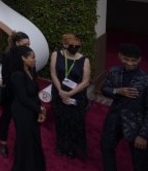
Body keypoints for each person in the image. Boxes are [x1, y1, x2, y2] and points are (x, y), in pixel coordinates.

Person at [101, 43, 148, 171]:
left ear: (139, 59)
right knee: (106, 148)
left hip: (135, 125)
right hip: (113, 119)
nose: (130, 63)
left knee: (140, 161)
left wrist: (143, 135)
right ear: (120, 57)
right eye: (126, 59)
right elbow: (104, 89)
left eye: (134, 61)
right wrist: (117, 91)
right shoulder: (114, 71)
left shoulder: (145, 80)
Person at [49, 33, 90, 159]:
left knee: (75, 122)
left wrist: (69, 94)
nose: (74, 48)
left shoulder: (85, 60)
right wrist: (61, 91)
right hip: (59, 93)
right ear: (64, 44)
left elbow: (85, 81)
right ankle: (62, 146)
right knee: (61, 121)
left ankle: (73, 148)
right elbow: (53, 74)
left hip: (76, 96)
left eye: (77, 46)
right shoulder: (56, 55)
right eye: (71, 45)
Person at [10, 45, 46, 171]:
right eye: (32, 57)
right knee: (25, 140)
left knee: (34, 139)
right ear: (23, 58)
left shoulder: (31, 71)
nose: (35, 60)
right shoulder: (17, 75)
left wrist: (39, 108)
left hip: (32, 110)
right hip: (21, 112)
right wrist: (40, 109)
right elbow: (23, 98)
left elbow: (34, 94)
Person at [0, 31, 31, 158]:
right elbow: (5, 77)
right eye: (25, 44)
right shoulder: (7, 56)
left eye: (29, 44)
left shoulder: (29, 55)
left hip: (24, 96)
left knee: (22, 121)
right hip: (11, 95)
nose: (27, 47)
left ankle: (21, 146)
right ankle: (3, 143)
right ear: (16, 43)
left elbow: (32, 74)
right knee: (6, 118)